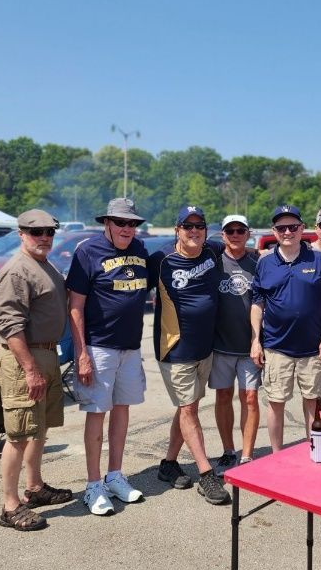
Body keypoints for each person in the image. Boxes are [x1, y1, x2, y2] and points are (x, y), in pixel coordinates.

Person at [67, 198, 150, 516]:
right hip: (99, 347)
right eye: (121, 223)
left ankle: (114, 475)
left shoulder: (141, 250)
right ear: (107, 224)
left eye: (132, 223)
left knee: (122, 411)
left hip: (130, 347)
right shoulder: (88, 252)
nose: (127, 228)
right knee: (97, 414)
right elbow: (75, 306)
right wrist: (82, 354)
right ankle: (92, 485)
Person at [0, 209, 73, 532]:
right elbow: (11, 326)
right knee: (19, 434)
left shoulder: (44, 265)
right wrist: (29, 368)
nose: (44, 238)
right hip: (25, 360)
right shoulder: (16, 271)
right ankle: (10, 505)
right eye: (36, 231)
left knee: (39, 428)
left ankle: (35, 487)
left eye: (49, 232)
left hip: (46, 355)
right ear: (21, 233)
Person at [150, 205, 230, 505]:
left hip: (204, 349)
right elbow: (126, 291)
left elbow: (238, 247)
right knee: (189, 410)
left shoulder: (211, 251)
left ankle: (168, 464)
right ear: (177, 230)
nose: (194, 231)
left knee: (189, 408)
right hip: (176, 349)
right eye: (187, 226)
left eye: (199, 226)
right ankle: (206, 474)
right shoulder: (160, 260)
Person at [251, 204, 321, 452]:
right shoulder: (265, 263)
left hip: (312, 348)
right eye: (281, 228)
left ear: (302, 228)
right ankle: (277, 455)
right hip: (277, 347)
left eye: (293, 227)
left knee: (312, 401)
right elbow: (257, 303)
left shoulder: (317, 259)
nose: (288, 232)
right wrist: (256, 340)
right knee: (275, 402)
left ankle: (315, 452)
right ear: (273, 231)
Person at [209, 214, 261, 473]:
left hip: (249, 345)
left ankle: (248, 454)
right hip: (220, 345)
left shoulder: (257, 262)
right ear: (223, 235)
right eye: (230, 231)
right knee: (223, 396)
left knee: (250, 398)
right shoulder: (213, 262)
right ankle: (229, 450)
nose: (236, 234)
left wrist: (258, 340)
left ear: (248, 233)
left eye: (241, 230)